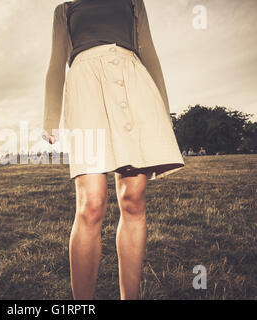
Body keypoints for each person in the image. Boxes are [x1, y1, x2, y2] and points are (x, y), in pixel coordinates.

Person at [42, 0, 185, 300]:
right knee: (91, 203)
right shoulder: (65, 10)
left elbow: (150, 54)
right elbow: (57, 62)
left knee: (133, 199)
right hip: (85, 89)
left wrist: (164, 113)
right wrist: (50, 117)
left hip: (133, 85)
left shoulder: (134, 3)